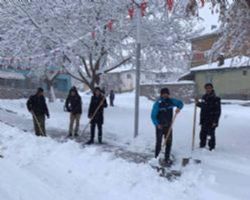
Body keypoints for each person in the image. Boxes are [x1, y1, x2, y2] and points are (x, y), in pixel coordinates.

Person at [151, 88, 184, 166]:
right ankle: (156, 158)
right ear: (161, 94)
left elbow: (180, 103)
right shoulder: (158, 103)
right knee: (159, 142)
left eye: (167, 93)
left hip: (169, 126)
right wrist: (157, 124)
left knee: (168, 142)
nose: (165, 95)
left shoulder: (171, 101)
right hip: (160, 126)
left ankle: (167, 158)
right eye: (163, 93)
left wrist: (179, 108)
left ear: (168, 94)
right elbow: (153, 116)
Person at [196, 83, 221, 151]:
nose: (208, 89)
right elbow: (204, 106)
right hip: (204, 119)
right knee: (202, 134)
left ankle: (211, 147)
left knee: (210, 134)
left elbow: (218, 111)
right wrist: (198, 103)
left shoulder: (216, 98)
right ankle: (202, 145)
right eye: (207, 88)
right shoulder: (204, 97)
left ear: (212, 88)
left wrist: (215, 121)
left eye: (209, 88)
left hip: (211, 120)